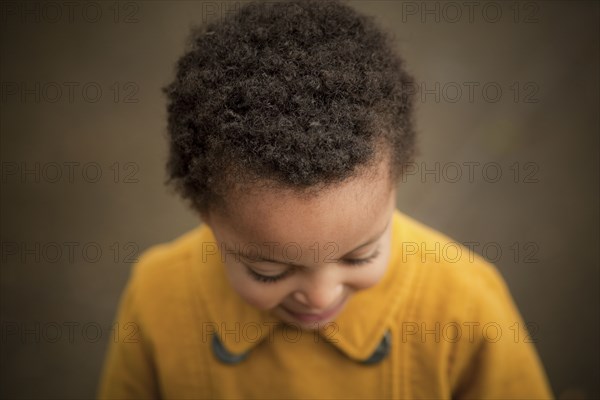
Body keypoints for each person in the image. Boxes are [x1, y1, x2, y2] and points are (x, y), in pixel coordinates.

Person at [98, 0, 553, 398]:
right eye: (268, 270)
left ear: (395, 185)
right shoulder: (158, 298)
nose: (320, 296)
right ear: (205, 213)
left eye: (360, 256)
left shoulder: (464, 303)